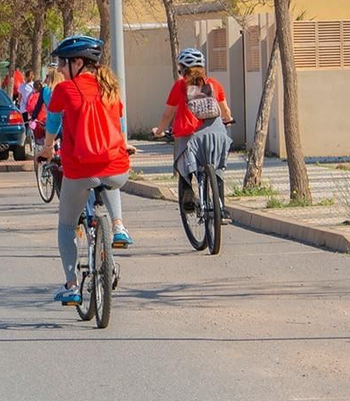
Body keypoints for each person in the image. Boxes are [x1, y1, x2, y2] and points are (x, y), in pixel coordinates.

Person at [39, 35, 134, 307]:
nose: (58, 68)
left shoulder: (65, 90)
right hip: (117, 169)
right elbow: (119, 121)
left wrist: (46, 149)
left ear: (78, 63)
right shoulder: (112, 90)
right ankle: (118, 226)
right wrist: (124, 144)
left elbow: (54, 123)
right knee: (110, 177)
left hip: (80, 170)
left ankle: (71, 285)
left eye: (62, 62)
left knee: (67, 224)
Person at [152, 47, 234, 219]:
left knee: (183, 162)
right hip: (214, 135)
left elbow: (168, 114)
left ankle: (188, 188)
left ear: (182, 69)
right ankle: (222, 209)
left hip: (188, 136)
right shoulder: (214, 84)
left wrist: (159, 131)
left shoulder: (180, 86)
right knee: (216, 169)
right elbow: (225, 110)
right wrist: (228, 120)